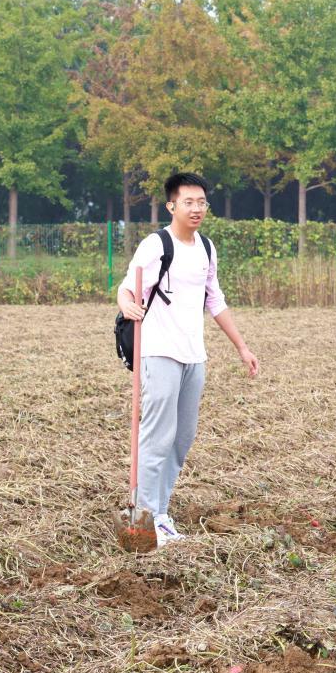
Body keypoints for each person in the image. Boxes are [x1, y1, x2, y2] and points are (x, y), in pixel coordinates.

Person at [117, 172, 259, 546]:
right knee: (157, 437)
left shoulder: (206, 248)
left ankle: (160, 514)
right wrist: (126, 303)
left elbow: (215, 301)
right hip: (159, 351)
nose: (196, 209)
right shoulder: (156, 244)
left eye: (201, 203)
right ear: (172, 206)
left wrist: (242, 347)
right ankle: (144, 519)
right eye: (188, 202)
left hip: (194, 356)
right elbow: (126, 287)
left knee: (181, 439)